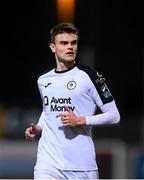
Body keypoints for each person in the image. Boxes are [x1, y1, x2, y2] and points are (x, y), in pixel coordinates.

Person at [25, 22, 120, 179]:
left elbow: (114, 115)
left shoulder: (90, 76)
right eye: (64, 43)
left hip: (81, 166)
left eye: (73, 43)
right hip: (48, 163)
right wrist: (39, 127)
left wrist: (81, 120)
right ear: (53, 47)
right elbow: (48, 110)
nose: (70, 47)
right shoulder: (43, 80)